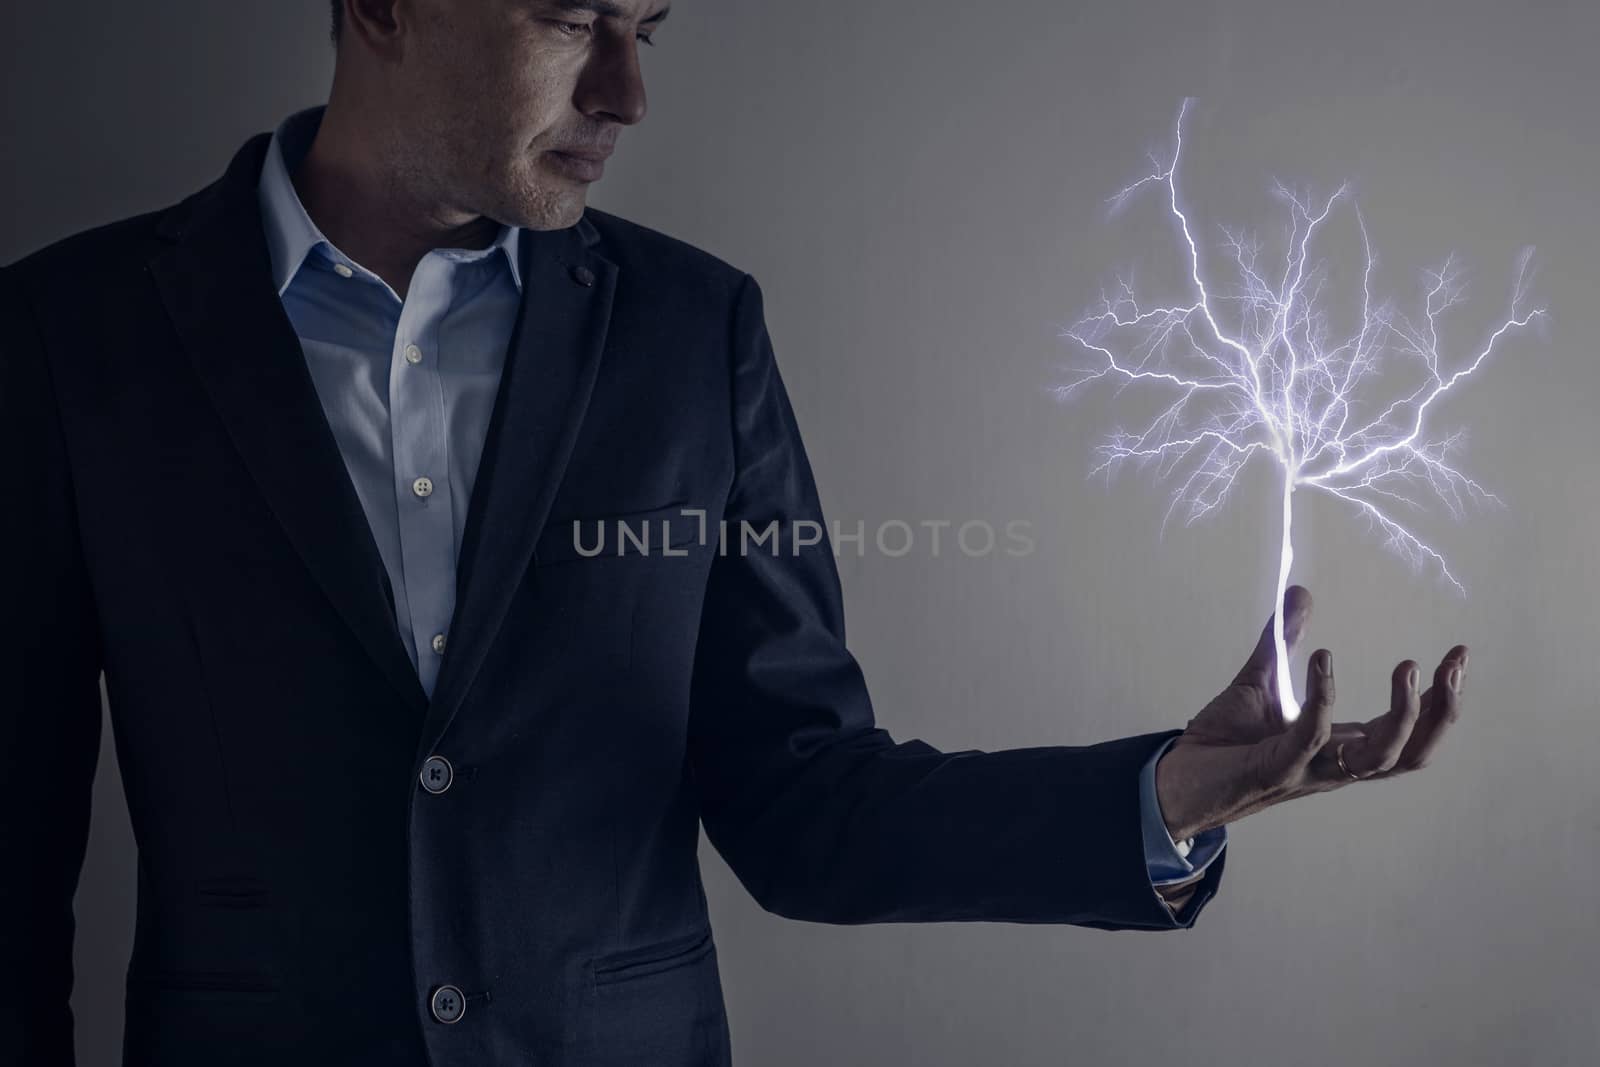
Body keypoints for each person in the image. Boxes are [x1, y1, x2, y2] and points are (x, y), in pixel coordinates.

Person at [1, 2, 1469, 1064]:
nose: (628, 92)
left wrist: (1158, 800)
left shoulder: (693, 333)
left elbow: (801, 803)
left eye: (650, 27)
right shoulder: (75, 335)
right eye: (575, 19)